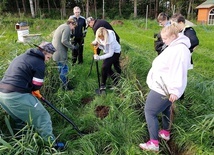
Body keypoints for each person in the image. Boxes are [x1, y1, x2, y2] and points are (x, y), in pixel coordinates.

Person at [0, 42, 64, 149]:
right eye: (48, 57)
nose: (48, 60)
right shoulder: (39, 62)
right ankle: (52, 145)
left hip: (2, 95)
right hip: (16, 95)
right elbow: (37, 86)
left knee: (19, 119)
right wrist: (35, 91)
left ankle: (20, 141)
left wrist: (32, 90)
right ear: (44, 52)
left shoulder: (22, 56)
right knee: (43, 116)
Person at [139, 24, 191, 152]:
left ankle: (154, 143)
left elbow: (178, 71)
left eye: (165, 39)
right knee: (166, 107)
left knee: (150, 112)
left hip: (164, 87)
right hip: (165, 85)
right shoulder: (175, 46)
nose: (163, 41)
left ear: (174, 36)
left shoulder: (178, 50)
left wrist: (175, 90)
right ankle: (165, 133)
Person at [52, 18, 78, 90]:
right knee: (64, 68)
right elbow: (64, 41)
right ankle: (65, 86)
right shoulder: (67, 28)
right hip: (60, 52)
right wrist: (73, 47)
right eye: (73, 26)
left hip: (55, 51)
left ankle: (61, 85)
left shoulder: (62, 26)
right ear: (71, 23)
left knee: (60, 68)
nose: (73, 28)